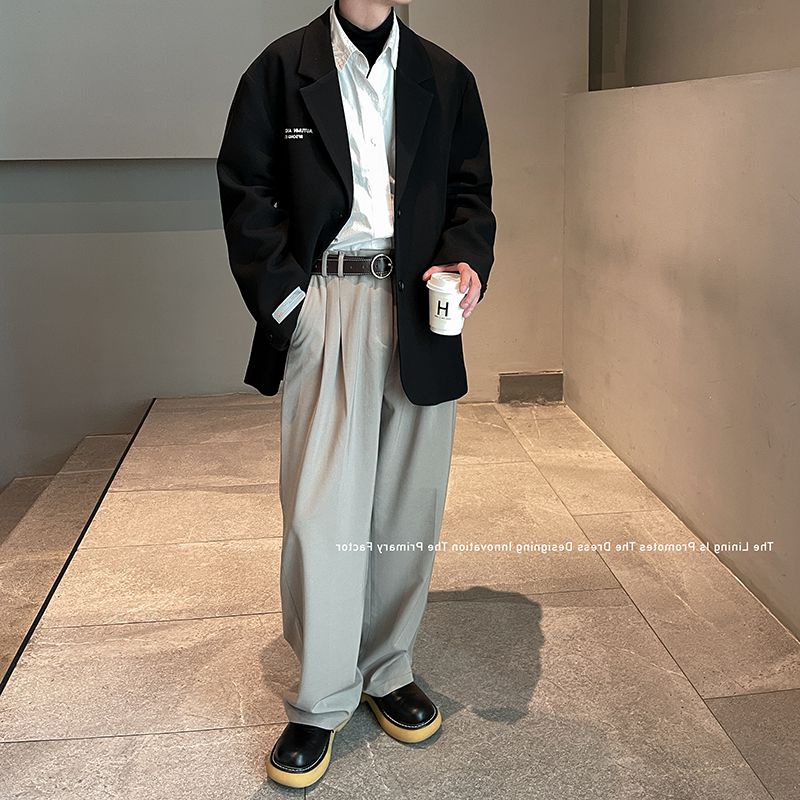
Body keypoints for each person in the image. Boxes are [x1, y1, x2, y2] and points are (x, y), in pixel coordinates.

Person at [216, 0, 496, 788]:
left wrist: (468, 262)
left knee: (408, 505)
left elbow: (471, 193)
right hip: (328, 303)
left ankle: (387, 668)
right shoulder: (282, 69)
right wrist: (291, 306)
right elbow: (247, 191)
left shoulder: (446, 76)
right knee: (321, 512)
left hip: (420, 308)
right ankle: (321, 697)